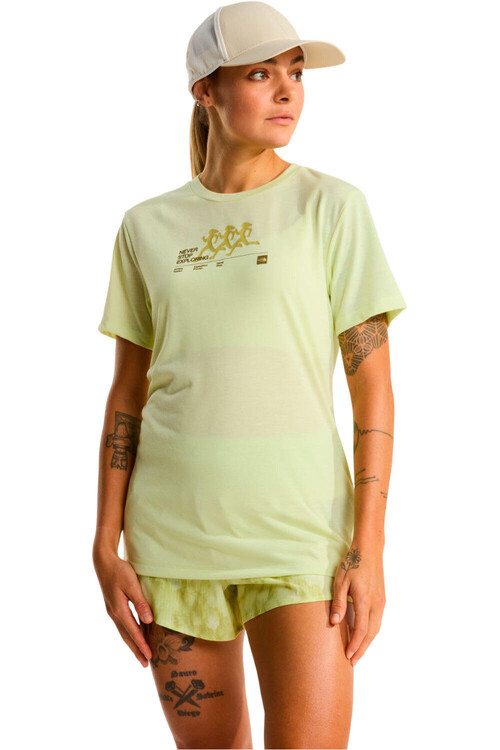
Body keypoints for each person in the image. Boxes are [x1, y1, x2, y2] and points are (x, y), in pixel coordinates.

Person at [93, 2, 407, 748]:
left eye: (295, 73)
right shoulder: (145, 226)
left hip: (301, 539)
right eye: (261, 73)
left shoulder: (330, 207)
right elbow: (127, 394)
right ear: (205, 89)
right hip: (171, 541)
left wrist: (369, 546)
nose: (288, 90)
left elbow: (373, 391)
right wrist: (106, 542)